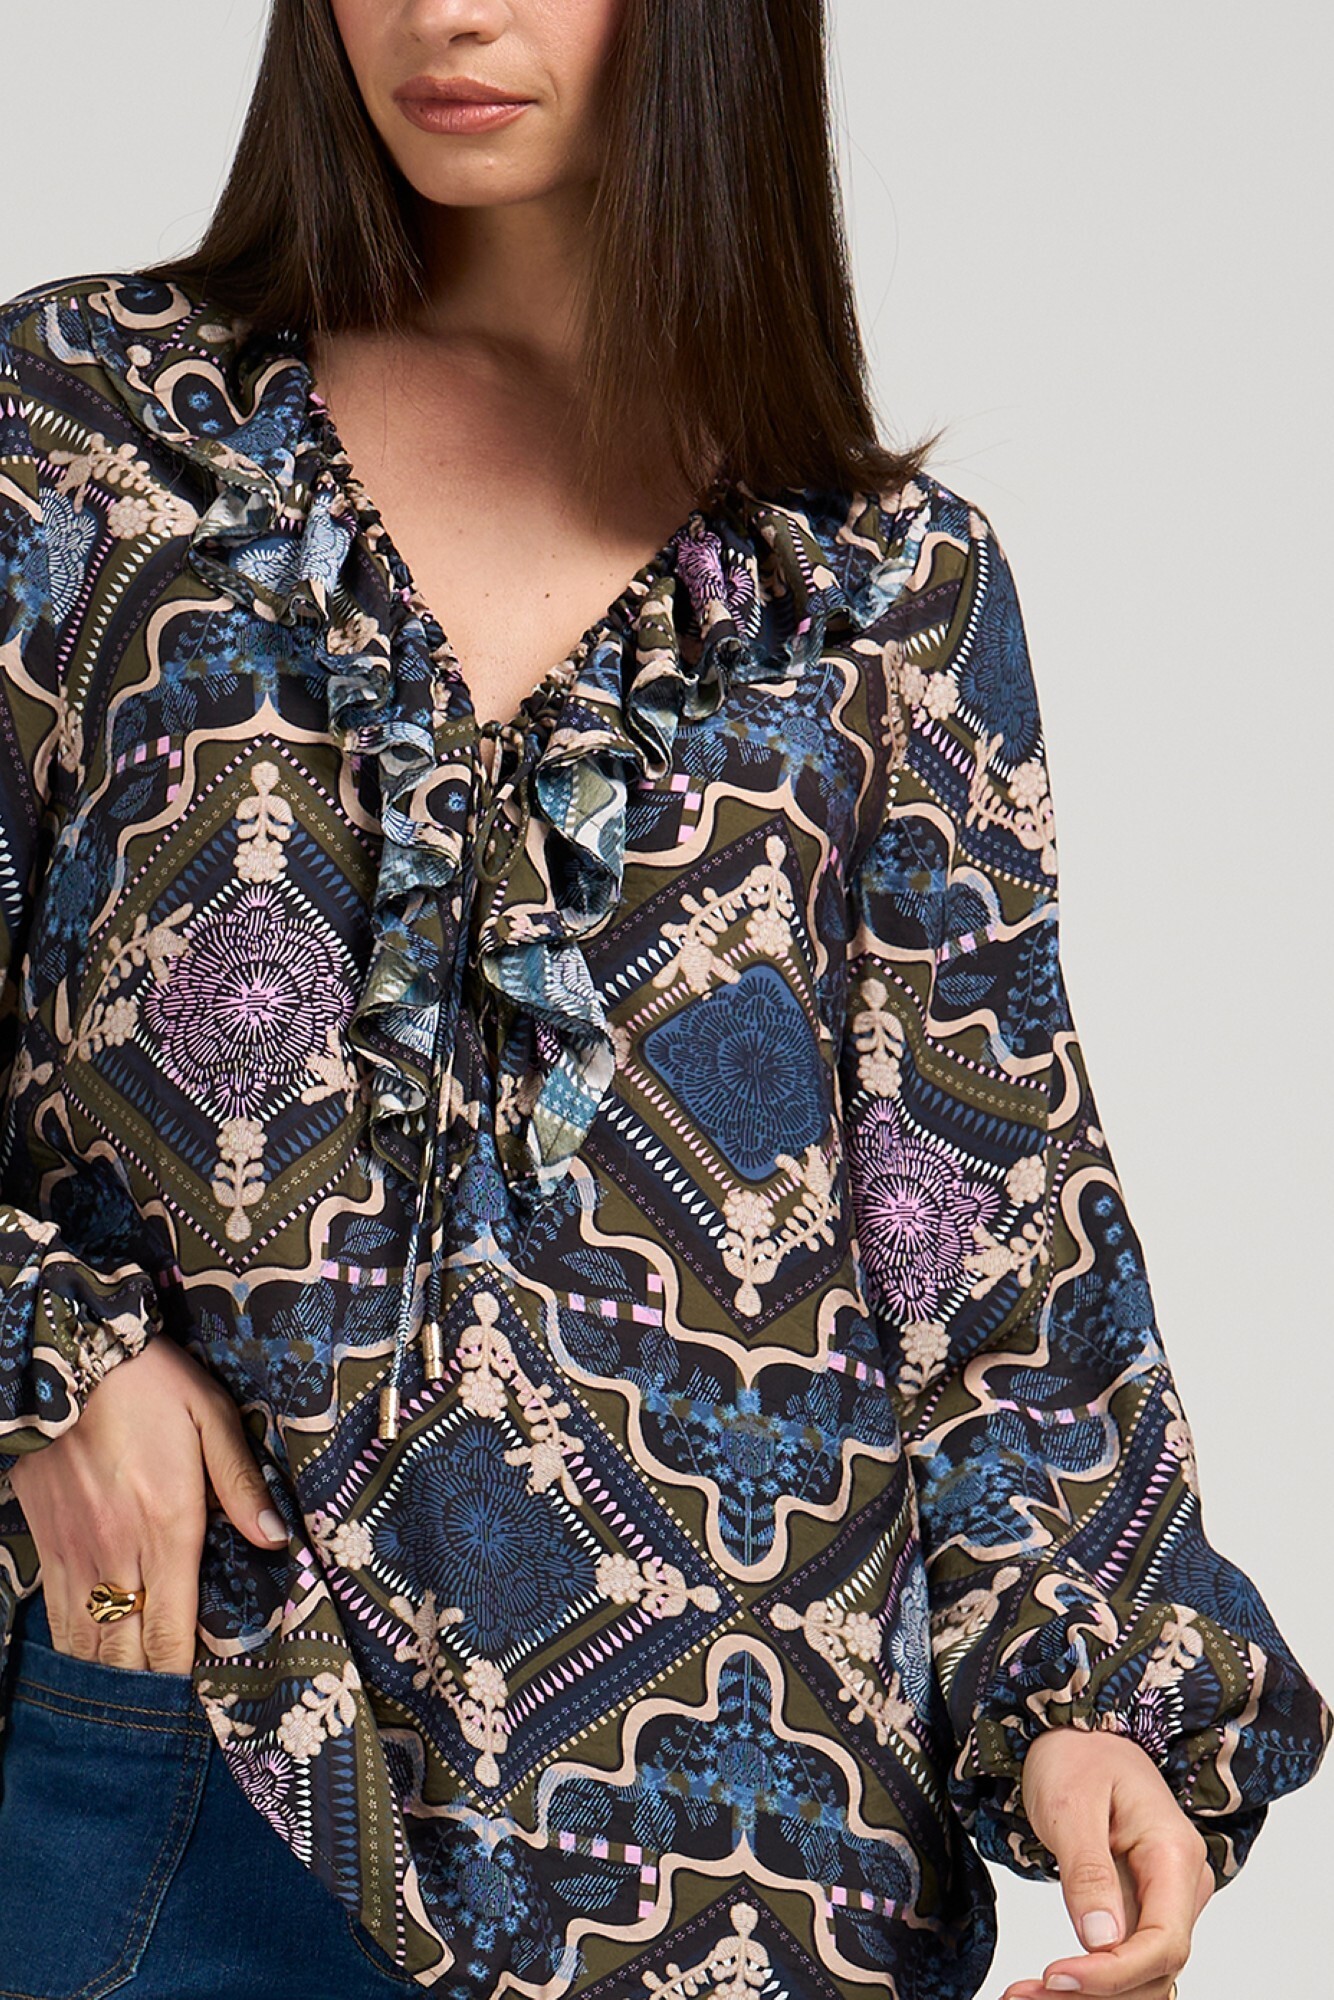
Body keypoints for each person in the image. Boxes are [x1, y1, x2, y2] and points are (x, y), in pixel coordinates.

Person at [0, 3, 1327, 1996]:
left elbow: (987, 1239)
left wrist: (1081, 1711)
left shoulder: (877, 591)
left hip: (751, 1882)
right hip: (205, 1766)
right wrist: (57, 1360)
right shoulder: (79, 449)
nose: (448, 10)